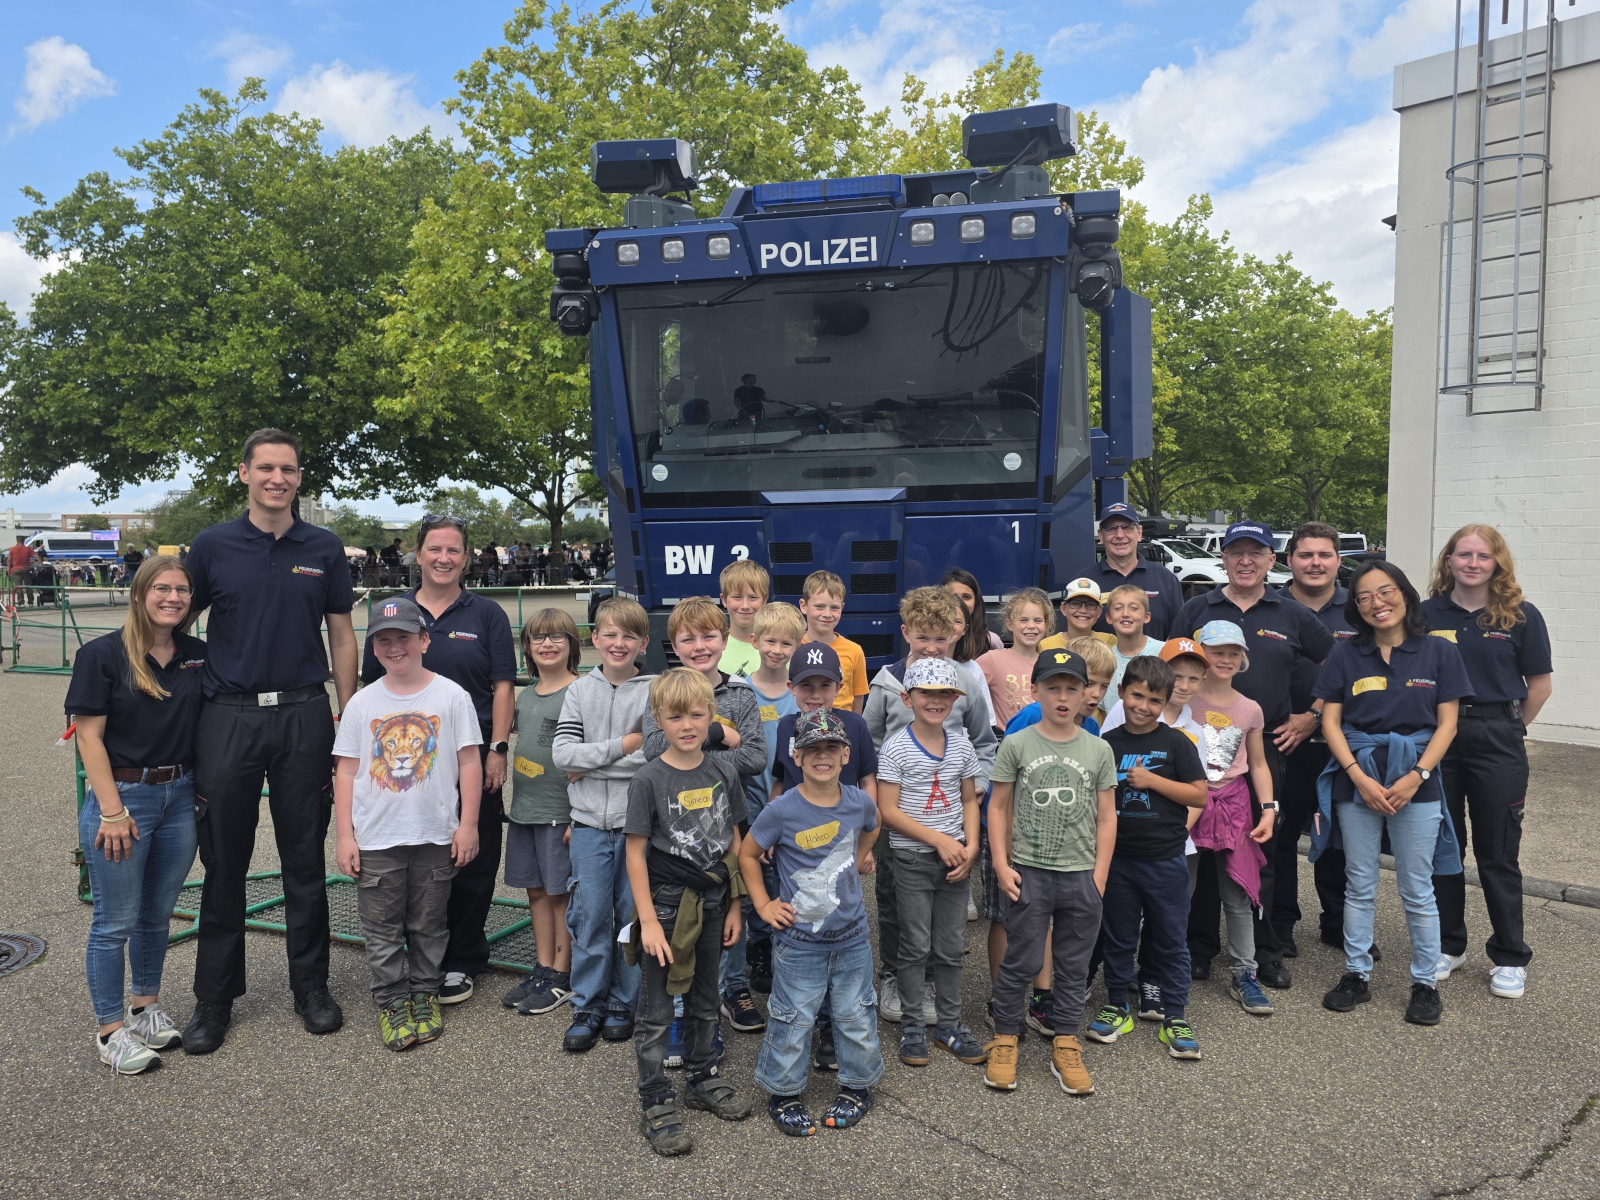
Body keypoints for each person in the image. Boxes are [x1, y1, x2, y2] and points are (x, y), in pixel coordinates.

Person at [183, 429, 358, 1055]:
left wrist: (349, 713)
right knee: (224, 864)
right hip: (227, 718)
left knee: (304, 863)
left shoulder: (324, 547)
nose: (276, 478)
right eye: (265, 468)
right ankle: (213, 1000)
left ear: (299, 478)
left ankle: (311, 987)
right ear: (244, 473)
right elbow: (174, 620)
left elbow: (341, 636)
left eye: (287, 469)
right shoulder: (212, 546)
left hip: (303, 714)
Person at [360, 514, 516, 1006]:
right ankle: (418, 951)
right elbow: (371, 687)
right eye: (434, 549)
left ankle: (463, 957)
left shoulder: (486, 614)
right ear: (418, 554)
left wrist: (497, 749)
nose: (443, 558)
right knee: (412, 856)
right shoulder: (393, 610)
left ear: (466, 557)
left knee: (472, 855)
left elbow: (503, 686)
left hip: (471, 757)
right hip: (412, 764)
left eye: (453, 550)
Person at [1172, 520, 1334, 990]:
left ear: (1271, 560)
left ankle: (1266, 949)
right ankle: (1200, 947)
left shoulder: (1291, 613)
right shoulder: (1196, 608)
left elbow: (1337, 665)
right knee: (1199, 852)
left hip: (1264, 750)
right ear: (1222, 558)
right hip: (1198, 756)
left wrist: (1312, 715)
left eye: (1256, 552)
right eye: (1236, 552)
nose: (1245, 560)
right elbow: (1172, 666)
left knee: (1265, 850)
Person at [1315, 562, 1470, 1026]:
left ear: (1404, 594)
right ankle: (1356, 974)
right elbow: (1330, 722)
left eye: (1385, 592)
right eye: (1364, 597)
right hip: (1357, 777)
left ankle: (1425, 983)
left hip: (1415, 781)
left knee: (1417, 889)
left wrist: (1416, 776)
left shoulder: (1439, 652)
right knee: (1359, 883)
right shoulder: (1345, 655)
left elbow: (1448, 724)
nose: (1377, 603)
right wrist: (1358, 777)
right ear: (1355, 607)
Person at [68, 555, 206, 1073]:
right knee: (114, 920)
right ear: (138, 593)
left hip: (180, 795)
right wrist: (111, 810)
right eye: (162, 589)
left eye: (183, 590)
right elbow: (89, 736)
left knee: (156, 914)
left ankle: (144, 1005)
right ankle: (109, 1029)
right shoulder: (101, 655)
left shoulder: (197, 655)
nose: (173, 598)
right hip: (126, 799)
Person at [334, 598, 482, 1051]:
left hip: (436, 833)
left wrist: (469, 824)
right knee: (380, 927)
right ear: (373, 649)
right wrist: (344, 836)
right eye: (384, 640)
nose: (394, 647)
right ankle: (392, 1000)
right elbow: (345, 769)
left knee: (429, 924)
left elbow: (470, 761)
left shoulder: (452, 696)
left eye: (403, 638)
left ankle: (425, 993)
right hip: (378, 837)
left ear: (424, 640)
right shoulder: (363, 702)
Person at [624, 669, 753, 1157]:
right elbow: (635, 855)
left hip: (717, 901)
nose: (686, 724)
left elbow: (735, 842)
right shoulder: (648, 778)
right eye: (675, 716)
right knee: (657, 1009)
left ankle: (702, 1077)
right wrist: (649, 922)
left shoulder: (724, 770)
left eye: (697, 714)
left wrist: (737, 902)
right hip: (666, 904)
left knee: (706, 995)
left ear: (711, 717)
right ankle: (655, 1096)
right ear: (658, 719)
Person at [1422, 524, 1552, 999]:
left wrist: (1514, 729)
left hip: (1497, 736)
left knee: (1497, 852)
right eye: (1463, 555)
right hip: (1439, 738)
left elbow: (1539, 685)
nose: (1472, 563)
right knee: (1444, 846)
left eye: (1482, 555)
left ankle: (1510, 955)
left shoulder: (1520, 616)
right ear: (1448, 561)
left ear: (1497, 562)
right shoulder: (1425, 613)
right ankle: (1449, 944)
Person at [744, 709, 884, 1137]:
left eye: (830, 748)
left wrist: (859, 854)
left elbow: (872, 828)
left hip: (852, 938)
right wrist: (764, 905)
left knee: (855, 1014)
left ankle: (857, 1086)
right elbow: (747, 855)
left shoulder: (860, 801)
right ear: (796, 758)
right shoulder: (782, 810)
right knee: (792, 1016)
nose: (821, 756)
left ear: (846, 754)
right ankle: (783, 1091)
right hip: (799, 941)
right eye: (811, 750)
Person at [984, 649, 1119, 1093]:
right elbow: (998, 807)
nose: (1063, 697)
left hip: (1080, 873)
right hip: (1029, 869)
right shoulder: (1017, 743)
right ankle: (1005, 1037)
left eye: (1072, 688)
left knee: (1073, 964)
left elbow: (1106, 816)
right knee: (1020, 958)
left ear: (1087, 694)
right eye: (1053, 687)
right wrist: (1002, 864)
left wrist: (1099, 875)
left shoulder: (1098, 748)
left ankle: (1065, 1041)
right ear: (1035, 690)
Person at [864, 587, 995, 1024]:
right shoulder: (886, 682)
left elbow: (983, 743)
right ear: (906, 633)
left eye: (941, 639)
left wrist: (976, 790)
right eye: (923, 637)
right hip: (897, 812)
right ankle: (893, 973)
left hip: (950, 812)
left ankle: (937, 976)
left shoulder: (965, 683)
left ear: (955, 637)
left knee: (943, 898)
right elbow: (870, 746)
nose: (932, 647)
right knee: (892, 894)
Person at [641, 596, 767, 1049]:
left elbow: (754, 756)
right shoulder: (661, 691)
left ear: (724, 639)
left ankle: (733, 988)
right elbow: (654, 750)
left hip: (728, 817)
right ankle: (682, 1002)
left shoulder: (740, 694)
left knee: (732, 905)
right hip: (675, 830)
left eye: (708, 636)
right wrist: (717, 733)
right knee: (684, 914)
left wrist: (702, 745)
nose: (699, 646)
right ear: (673, 644)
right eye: (687, 638)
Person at [1146, 619, 1276, 1022]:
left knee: (1237, 892)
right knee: (1177, 889)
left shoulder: (1249, 708)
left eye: (1233, 653)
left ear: (1243, 659)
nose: (1225, 659)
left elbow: (1257, 762)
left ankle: (1245, 972)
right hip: (1185, 802)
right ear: (1202, 657)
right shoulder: (1183, 700)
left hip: (1234, 803)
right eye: (1217, 652)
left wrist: (1269, 808)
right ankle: (1167, 967)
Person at [552, 596, 654, 1052]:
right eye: (609, 634)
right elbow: (562, 756)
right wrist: (623, 747)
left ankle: (622, 1001)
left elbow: (654, 757)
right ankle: (588, 1002)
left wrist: (591, 764)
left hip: (637, 825)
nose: (618, 643)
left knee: (631, 916)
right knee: (591, 914)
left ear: (642, 643)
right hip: (589, 822)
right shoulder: (579, 691)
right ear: (594, 638)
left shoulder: (655, 690)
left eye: (628, 635)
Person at [1096, 656, 1209, 1057]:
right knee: (1119, 936)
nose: (1143, 706)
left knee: (1171, 938)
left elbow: (1199, 795)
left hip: (1165, 859)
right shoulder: (1107, 745)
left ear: (1165, 703)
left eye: (1154, 700)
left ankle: (1175, 1014)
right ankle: (1116, 1006)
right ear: (1123, 692)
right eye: (1136, 695)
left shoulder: (1177, 742)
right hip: (1120, 859)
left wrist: (1152, 780)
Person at [876, 658, 984, 1069]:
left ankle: (951, 1025)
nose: (936, 701)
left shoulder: (960, 745)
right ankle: (911, 1027)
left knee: (951, 946)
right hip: (913, 858)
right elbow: (888, 810)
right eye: (927, 693)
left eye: (945, 694)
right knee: (915, 944)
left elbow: (968, 799)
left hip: (956, 858)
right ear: (908, 698)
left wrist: (971, 845)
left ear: (956, 700)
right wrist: (939, 839)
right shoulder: (896, 747)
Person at [1273, 521, 1360, 957]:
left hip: (1340, 745)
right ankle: (1281, 923)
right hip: (1282, 745)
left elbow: (1361, 676)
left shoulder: (1359, 609)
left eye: (1324, 555)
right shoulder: (1271, 606)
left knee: (1340, 840)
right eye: (1305, 555)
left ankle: (1339, 922)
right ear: (1289, 561)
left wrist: (1313, 716)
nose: (1315, 563)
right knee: (1281, 837)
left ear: (1338, 561)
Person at [500, 609, 582, 1017]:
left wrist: (576, 816)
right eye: (538, 638)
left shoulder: (581, 692)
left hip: (559, 813)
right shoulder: (526, 695)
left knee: (559, 893)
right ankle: (543, 964)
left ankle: (563, 973)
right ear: (527, 648)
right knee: (535, 890)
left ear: (572, 644)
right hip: (525, 811)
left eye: (557, 637)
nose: (547, 644)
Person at [738, 603, 803, 999]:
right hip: (750, 803)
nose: (777, 649)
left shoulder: (801, 695)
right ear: (754, 640)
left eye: (787, 642)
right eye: (770, 641)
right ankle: (760, 946)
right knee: (755, 880)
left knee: (787, 877)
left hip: (792, 806)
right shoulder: (742, 691)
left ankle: (789, 945)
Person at [1071, 501, 1184, 641]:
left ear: (1139, 533)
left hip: (1156, 662)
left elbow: (1178, 633)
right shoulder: (1084, 581)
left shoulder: (1166, 579)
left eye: (1127, 528)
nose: (1119, 535)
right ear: (1101, 536)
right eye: (1111, 529)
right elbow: (1072, 635)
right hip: (1099, 663)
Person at [978, 588, 1052, 729]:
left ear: (1046, 624)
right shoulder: (992, 660)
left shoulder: (1050, 663)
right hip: (1007, 742)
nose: (1031, 626)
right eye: (1023, 620)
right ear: (1010, 624)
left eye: (1038, 620)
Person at [799, 571, 869, 712]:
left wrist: (854, 729)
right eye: (819, 606)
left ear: (842, 608)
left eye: (834, 608)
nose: (827, 614)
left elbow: (858, 697)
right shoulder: (793, 647)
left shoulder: (854, 651)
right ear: (804, 606)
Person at [1102, 584, 1165, 694]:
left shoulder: (1164, 651)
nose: (1125, 614)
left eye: (1134, 608)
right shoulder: (1105, 660)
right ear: (1109, 617)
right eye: (1118, 608)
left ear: (1147, 617)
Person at [718, 560, 769, 677]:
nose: (745, 606)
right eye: (737, 597)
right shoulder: (713, 649)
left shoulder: (779, 649)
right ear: (724, 599)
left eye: (752, 597)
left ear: (765, 600)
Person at [941, 567, 1004, 657]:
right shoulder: (929, 638)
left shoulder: (991, 641)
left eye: (966, 597)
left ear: (976, 601)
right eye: (953, 596)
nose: (959, 602)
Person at [1039, 578, 1113, 652]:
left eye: (1090, 604)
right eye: (1075, 604)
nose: (1083, 610)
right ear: (1063, 608)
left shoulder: (1109, 642)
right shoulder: (1047, 646)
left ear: (1099, 611)